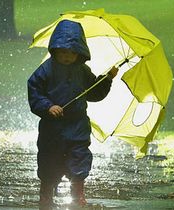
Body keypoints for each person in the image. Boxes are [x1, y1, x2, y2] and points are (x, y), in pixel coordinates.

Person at [27, 20, 118, 209]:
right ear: (55, 50)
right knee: (49, 160)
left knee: (79, 157)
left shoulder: (82, 71)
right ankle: (46, 195)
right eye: (63, 52)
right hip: (52, 128)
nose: (68, 57)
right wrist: (48, 106)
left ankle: (78, 193)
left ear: (79, 51)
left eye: (72, 52)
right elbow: (34, 90)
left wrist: (107, 79)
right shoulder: (46, 70)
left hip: (77, 126)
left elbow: (93, 93)